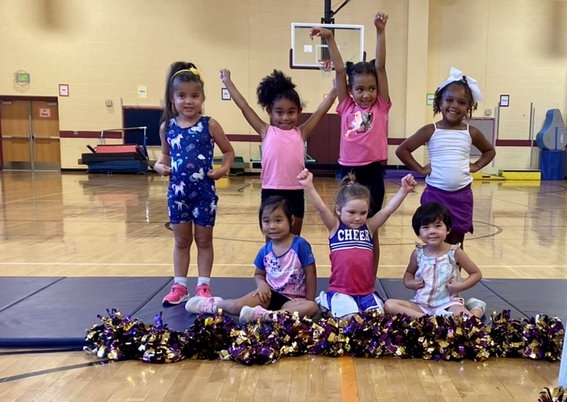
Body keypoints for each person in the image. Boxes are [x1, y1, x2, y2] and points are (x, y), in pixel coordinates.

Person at [310, 11, 391, 274]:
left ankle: (369, 277)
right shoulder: (345, 106)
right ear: (351, 90)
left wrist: (380, 31)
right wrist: (330, 39)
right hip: (348, 171)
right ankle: (344, 275)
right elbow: (341, 70)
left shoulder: (381, 107)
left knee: (371, 228)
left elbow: (380, 67)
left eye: (371, 88)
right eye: (360, 89)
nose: (366, 94)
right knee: (345, 226)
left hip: (372, 171)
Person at [155, 61, 235, 306]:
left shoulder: (209, 124)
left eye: (194, 96)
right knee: (181, 241)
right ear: (172, 98)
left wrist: (222, 169)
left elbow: (228, 151)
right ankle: (180, 285)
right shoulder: (167, 127)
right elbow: (165, 155)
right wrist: (159, 165)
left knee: (203, 240)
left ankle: (203, 285)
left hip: (204, 194)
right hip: (178, 195)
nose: (188, 101)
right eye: (182, 96)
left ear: (202, 98)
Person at [220, 68, 335, 236]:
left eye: (291, 112)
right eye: (279, 112)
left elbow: (320, 111)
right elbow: (244, 106)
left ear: (299, 111)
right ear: (269, 112)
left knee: (294, 242)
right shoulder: (265, 131)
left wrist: (335, 90)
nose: (285, 117)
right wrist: (228, 82)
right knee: (272, 242)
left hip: (296, 191)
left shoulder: (301, 132)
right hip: (271, 191)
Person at [297, 168, 417, 321]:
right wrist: (308, 186)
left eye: (363, 213)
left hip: (366, 292)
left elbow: (387, 211)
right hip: (342, 291)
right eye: (352, 212)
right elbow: (321, 208)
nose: (358, 218)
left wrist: (404, 190)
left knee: (375, 320)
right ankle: (327, 302)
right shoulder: (335, 227)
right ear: (339, 210)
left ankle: (344, 307)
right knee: (352, 320)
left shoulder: (369, 227)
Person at [395, 67, 496, 246]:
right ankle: (432, 273)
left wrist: (475, 166)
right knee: (434, 241)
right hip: (435, 194)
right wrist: (420, 169)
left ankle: (454, 274)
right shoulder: (430, 130)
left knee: (457, 243)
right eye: (449, 100)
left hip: (462, 196)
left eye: (462, 102)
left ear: (469, 107)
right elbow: (402, 150)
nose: (455, 106)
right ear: (439, 102)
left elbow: (489, 151)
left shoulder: (470, 132)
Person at [185, 195, 319, 322]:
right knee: (236, 306)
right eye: (266, 221)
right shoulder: (265, 251)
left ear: (291, 220)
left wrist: (308, 299)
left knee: (311, 307)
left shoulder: (300, 245)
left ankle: (265, 315)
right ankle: (212, 305)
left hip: (293, 302)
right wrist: (262, 285)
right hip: (269, 295)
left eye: (278, 220)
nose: (272, 226)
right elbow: (259, 275)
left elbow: (310, 273)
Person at [384, 202, 487, 319]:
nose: (432, 231)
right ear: (419, 233)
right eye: (426, 227)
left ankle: (477, 308)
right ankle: (428, 319)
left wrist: (460, 286)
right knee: (389, 305)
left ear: (448, 229)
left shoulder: (454, 252)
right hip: (421, 305)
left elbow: (476, 274)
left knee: (469, 322)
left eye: (438, 226)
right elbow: (409, 273)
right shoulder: (418, 254)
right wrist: (409, 283)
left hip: (448, 304)